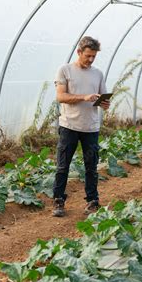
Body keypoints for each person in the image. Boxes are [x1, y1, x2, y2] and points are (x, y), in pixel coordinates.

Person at [52, 36, 110, 217]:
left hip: (91, 127)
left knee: (91, 166)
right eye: (88, 56)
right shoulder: (65, 70)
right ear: (79, 52)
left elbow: (103, 96)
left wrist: (104, 103)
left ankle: (93, 201)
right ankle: (58, 200)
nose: (91, 59)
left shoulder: (98, 74)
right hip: (69, 125)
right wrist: (83, 97)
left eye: (93, 56)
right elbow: (61, 97)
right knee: (63, 165)